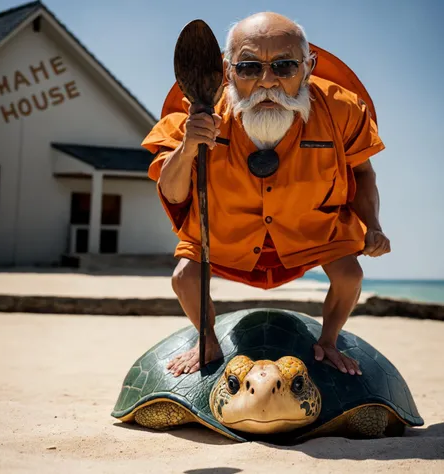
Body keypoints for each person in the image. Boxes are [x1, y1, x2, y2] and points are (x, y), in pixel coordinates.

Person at [141, 12, 390, 378]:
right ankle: (206, 338)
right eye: (249, 68)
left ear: (309, 67)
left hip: (312, 230)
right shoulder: (193, 114)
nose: (267, 81)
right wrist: (190, 145)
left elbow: (363, 173)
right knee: (184, 277)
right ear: (227, 70)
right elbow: (173, 193)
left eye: (285, 66)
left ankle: (329, 342)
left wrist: (373, 225)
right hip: (225, 234)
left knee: (350, 275)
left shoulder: (342, 110)